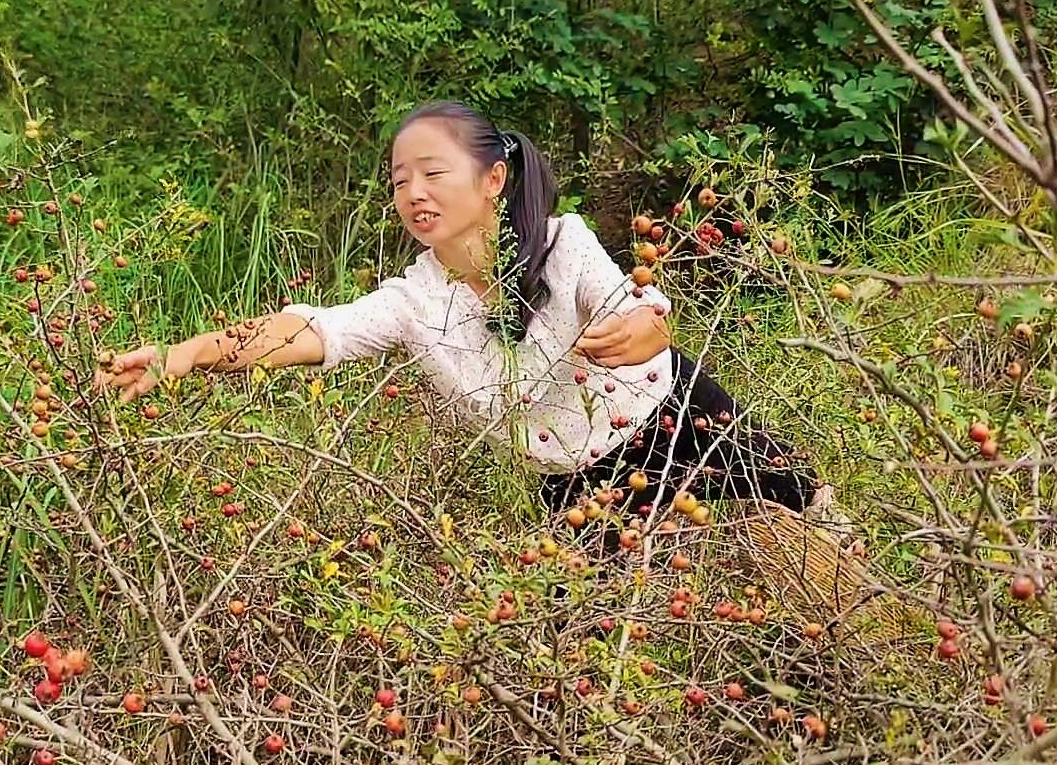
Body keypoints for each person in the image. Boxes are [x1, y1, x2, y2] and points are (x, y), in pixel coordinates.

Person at [100, 100, 835, 530]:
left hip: (676, 414)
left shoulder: (561, 243)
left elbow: (642, 315)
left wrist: (643, 331)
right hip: (576, 479)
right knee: (604, 646)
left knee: (808, 524)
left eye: (432, 173)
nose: (414, 192)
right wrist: (188, 352)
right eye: (399, 181)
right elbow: (314, 329)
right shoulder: (413, 302)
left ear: (492, 179)